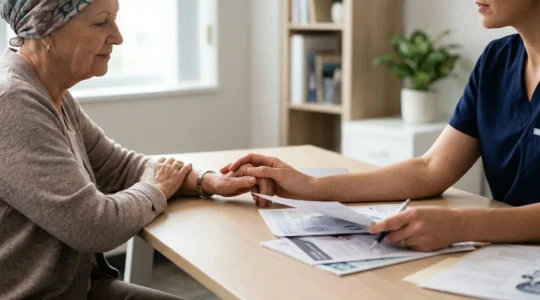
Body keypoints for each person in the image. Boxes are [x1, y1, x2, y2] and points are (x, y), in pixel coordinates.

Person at [0, 0, 272, 299]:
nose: (117, 36)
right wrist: (155, 188)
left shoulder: (51, 93)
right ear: (46, 30)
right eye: (101, 22)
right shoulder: (13, 103)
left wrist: (207, 181)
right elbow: (94, 226)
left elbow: (119, 167)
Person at [223, 0, 540, 252]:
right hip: (510, 255)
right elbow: (432, 168)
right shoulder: (496, 60)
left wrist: (463, 225)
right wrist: (311, 187)